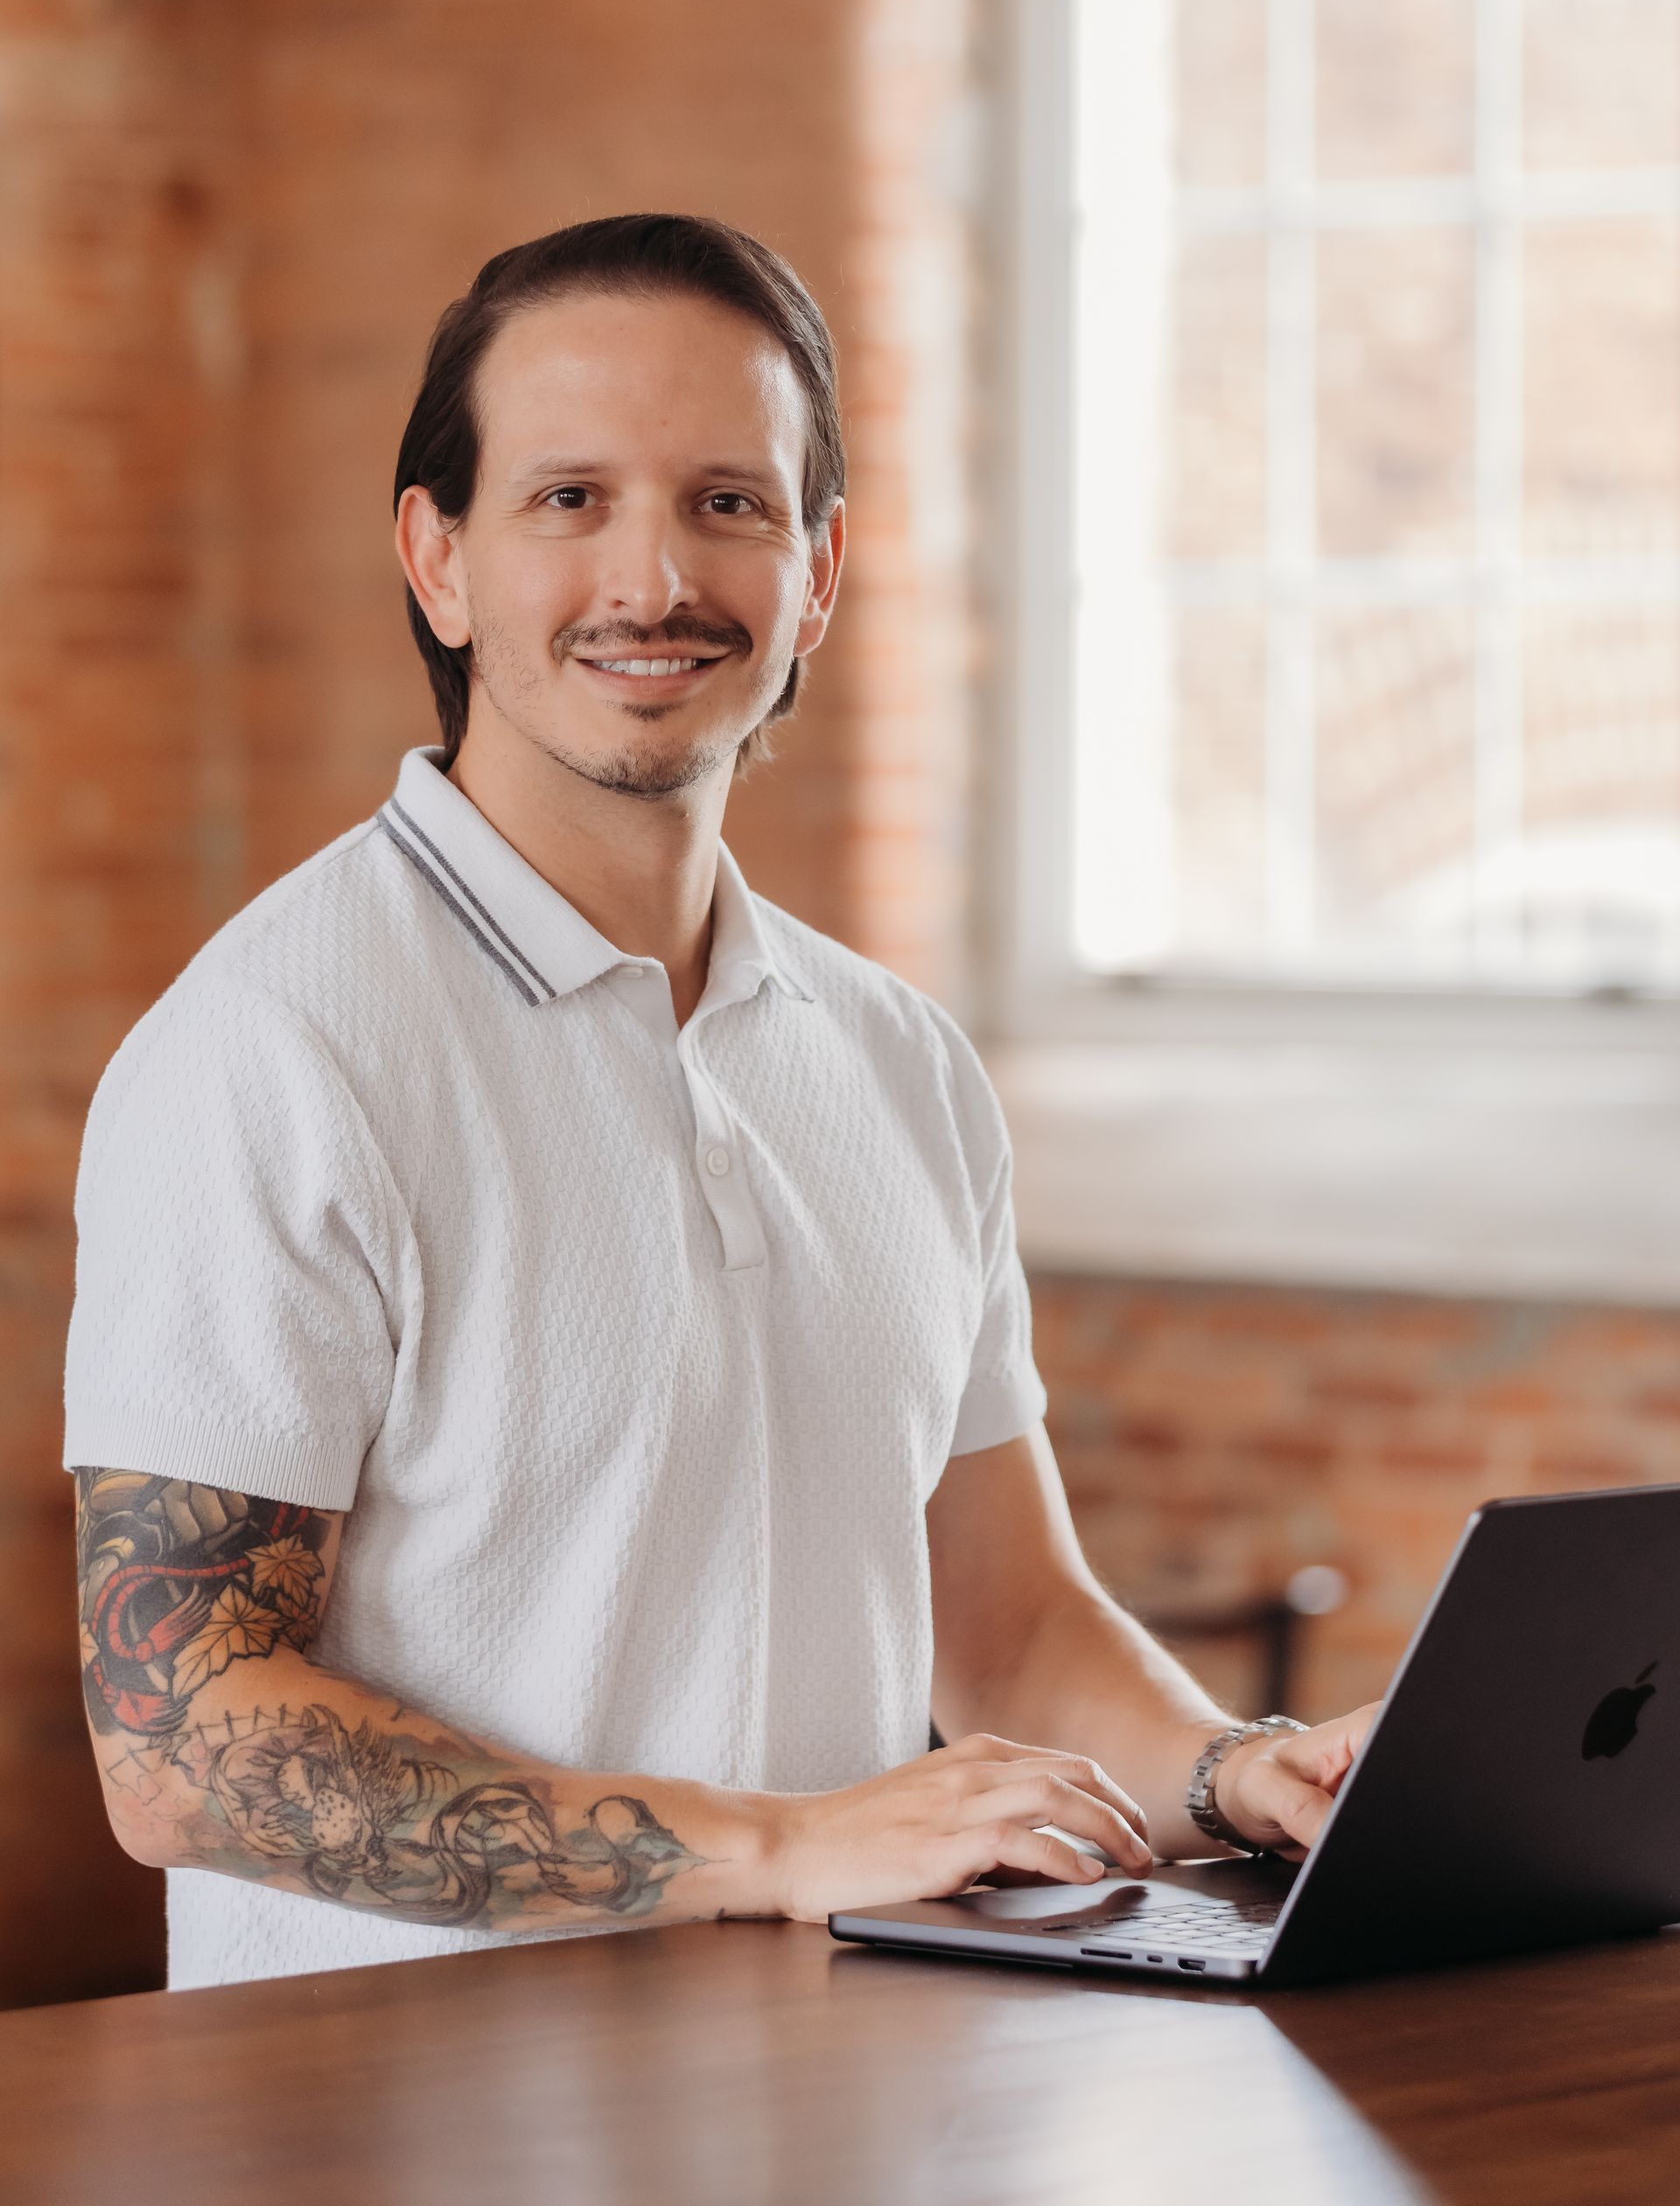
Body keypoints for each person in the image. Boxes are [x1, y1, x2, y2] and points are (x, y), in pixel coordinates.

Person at [66, 214, 1375, 1990]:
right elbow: (181, 1744)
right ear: (437, 561)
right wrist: (781, 1846)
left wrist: (1240, 1773)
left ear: (820, 572)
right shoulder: (273, 1050)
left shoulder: (898, 1064)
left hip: (831, 2107)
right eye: (569, 500)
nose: (652, 576)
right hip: (378, 2140)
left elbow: (1005, 1625)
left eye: (728, 503)